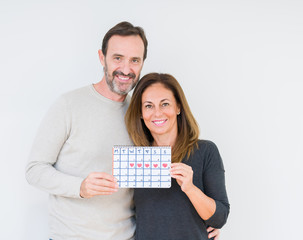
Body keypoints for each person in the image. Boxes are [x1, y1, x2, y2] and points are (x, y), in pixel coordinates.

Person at [25, 21, 220, 240]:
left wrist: (200, 219)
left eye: (134, 60)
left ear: (142, 63)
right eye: (118, 58)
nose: (126, 69)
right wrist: (80, 187)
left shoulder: (143, 115)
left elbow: (152, 189)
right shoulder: (68, 105)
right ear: (102, 58)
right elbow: (34, 170)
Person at [125, 72, 230, 239]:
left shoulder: (205, 151)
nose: (157, 113)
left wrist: (190, 189)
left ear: (178, 107)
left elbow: (219, 218)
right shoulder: (135, 159)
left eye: (165, 104)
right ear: (140, 113)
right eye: (148, 106)